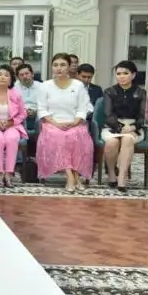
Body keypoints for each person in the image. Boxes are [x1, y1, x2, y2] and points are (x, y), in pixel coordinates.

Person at [36, 53, 94, 193]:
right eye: (55, 65)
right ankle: (71, 177)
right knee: (60, 137)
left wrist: (75, 122)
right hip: (52, 124)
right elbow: (42, 109)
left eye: (63, 65)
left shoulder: (78, 85)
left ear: (69, 67)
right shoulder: (45, 86)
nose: (59, 68)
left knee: (76, 136)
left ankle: (75, 176)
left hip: (74, 122)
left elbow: (83, 107)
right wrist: (56, 123)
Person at [101, 60, 148, 192]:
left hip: (134, 127)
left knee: (127, 139)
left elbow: (144, 116)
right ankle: (111, 174)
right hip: (113, 126)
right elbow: (108, 114)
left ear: (133, 75)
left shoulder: (141, 92)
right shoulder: (109, 91)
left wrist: (133, 127)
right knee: (112, 143)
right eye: (118, 73)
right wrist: (120, 128)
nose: (121, 76)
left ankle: (122, 178)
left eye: (125, 73)